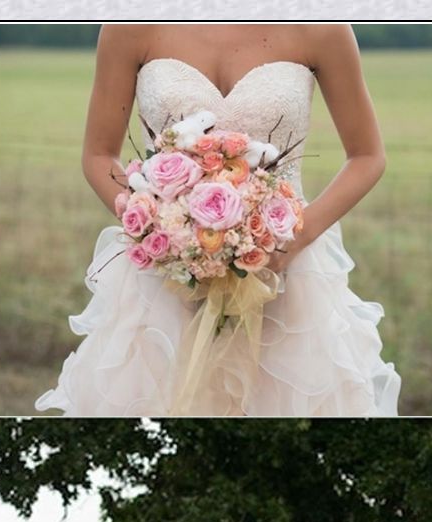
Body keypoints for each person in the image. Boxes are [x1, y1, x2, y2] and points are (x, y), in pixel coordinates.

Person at [35, 23, 401, 416]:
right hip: (163, 277)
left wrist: (293, 238)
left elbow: (367, 157)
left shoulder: (320, 26)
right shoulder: (129, 24)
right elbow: (98, 156)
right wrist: (153, 223)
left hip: (285, 273)